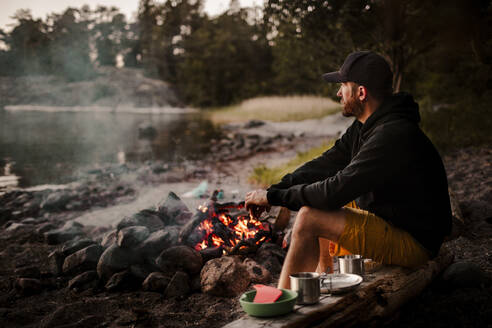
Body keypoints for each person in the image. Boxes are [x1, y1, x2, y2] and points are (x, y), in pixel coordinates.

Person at [245, 51, 452, 289]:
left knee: (309, 217)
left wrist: (273, 198)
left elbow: (335, 191)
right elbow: (323, 165)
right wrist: (274, 191)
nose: (338, 93)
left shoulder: (392, 135)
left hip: (415, 241)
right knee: (315, 202)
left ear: (361, 93)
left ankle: (282, 306)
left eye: (343, 86)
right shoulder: (366, 126)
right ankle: (324, 279)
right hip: (391, 217)